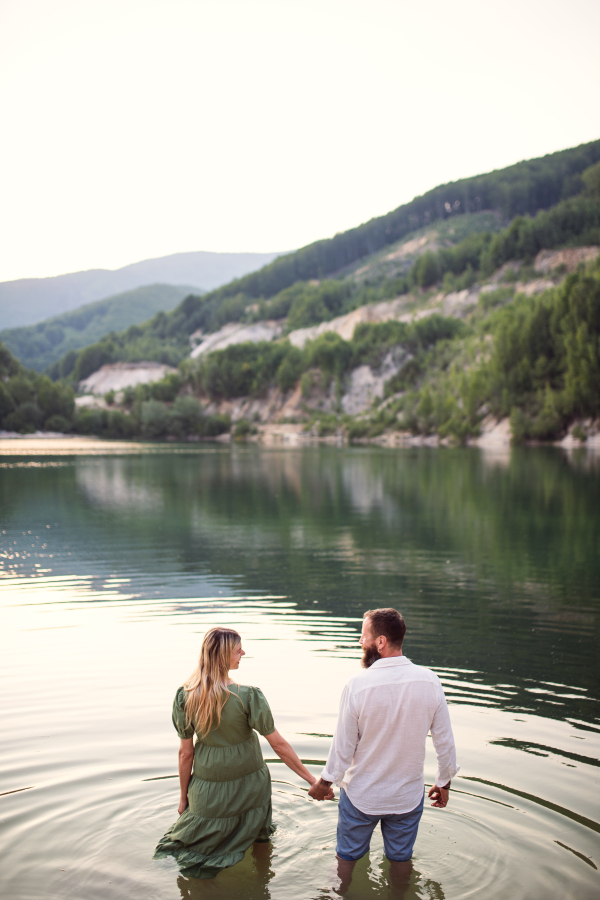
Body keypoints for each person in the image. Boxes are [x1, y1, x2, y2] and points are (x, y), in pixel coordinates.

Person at [154, 626, 331, 879]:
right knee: (260, 838)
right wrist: (313, 780)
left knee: (196, 841)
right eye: (238, 650)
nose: (243, 653)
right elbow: (278, 745)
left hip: (206, 788)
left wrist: (184, 797)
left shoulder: (185, 696)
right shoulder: (248, 696)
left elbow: (185, 754)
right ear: (224, 655)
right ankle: (262, 881)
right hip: (251, 785)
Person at [309, 608, 459, 890]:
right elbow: (445, 742)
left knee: (347, 858)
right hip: (407, 797)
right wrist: (444, 782)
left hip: (362, 796)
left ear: (380, 642)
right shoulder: (430, 680)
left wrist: (324, 782)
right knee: (401, 860)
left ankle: (341, 895)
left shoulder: (357, 685)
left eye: (363, 637)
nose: (359, 642)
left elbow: (343, 746)